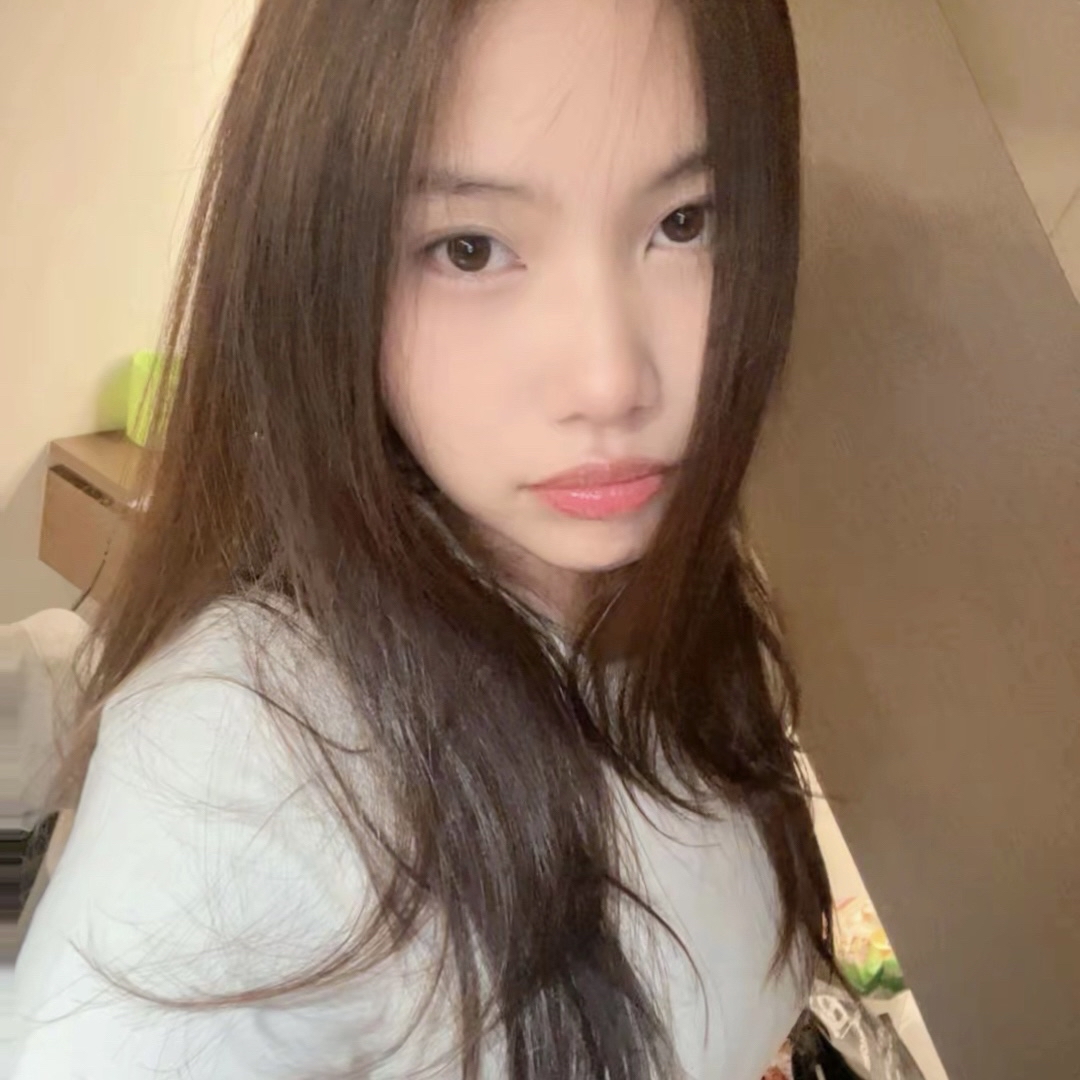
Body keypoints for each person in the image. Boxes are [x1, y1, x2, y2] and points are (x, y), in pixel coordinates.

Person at [12, 0, 837, 1076]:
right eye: (470, 247)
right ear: (320, 272)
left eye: (685, 222)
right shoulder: (247, 767)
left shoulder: (675, 585)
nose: (611, 380)